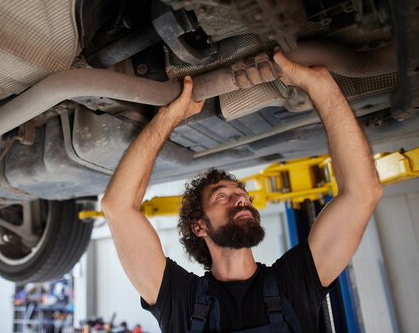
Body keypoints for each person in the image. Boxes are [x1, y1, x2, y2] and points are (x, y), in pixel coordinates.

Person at [101, 49, 383, 332]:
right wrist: (167, 117)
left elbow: (362, 193)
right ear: (199, 226)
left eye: (243, 195)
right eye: (221, 196)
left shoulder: (179, 302)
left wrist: (321, 86)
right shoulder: (294, 285)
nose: (242, 199)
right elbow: (117, 207)